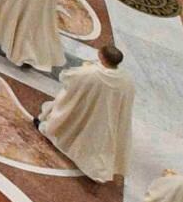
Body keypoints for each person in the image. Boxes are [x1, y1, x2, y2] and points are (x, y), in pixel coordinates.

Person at [36, 43, 134, 180]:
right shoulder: (127, 80)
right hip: (106, 115)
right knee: (96, 139)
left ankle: (55, 132)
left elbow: (67, 77)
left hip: (86, 108)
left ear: (101, 56)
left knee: (70, 114)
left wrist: (85, 68)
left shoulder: (91, 73)